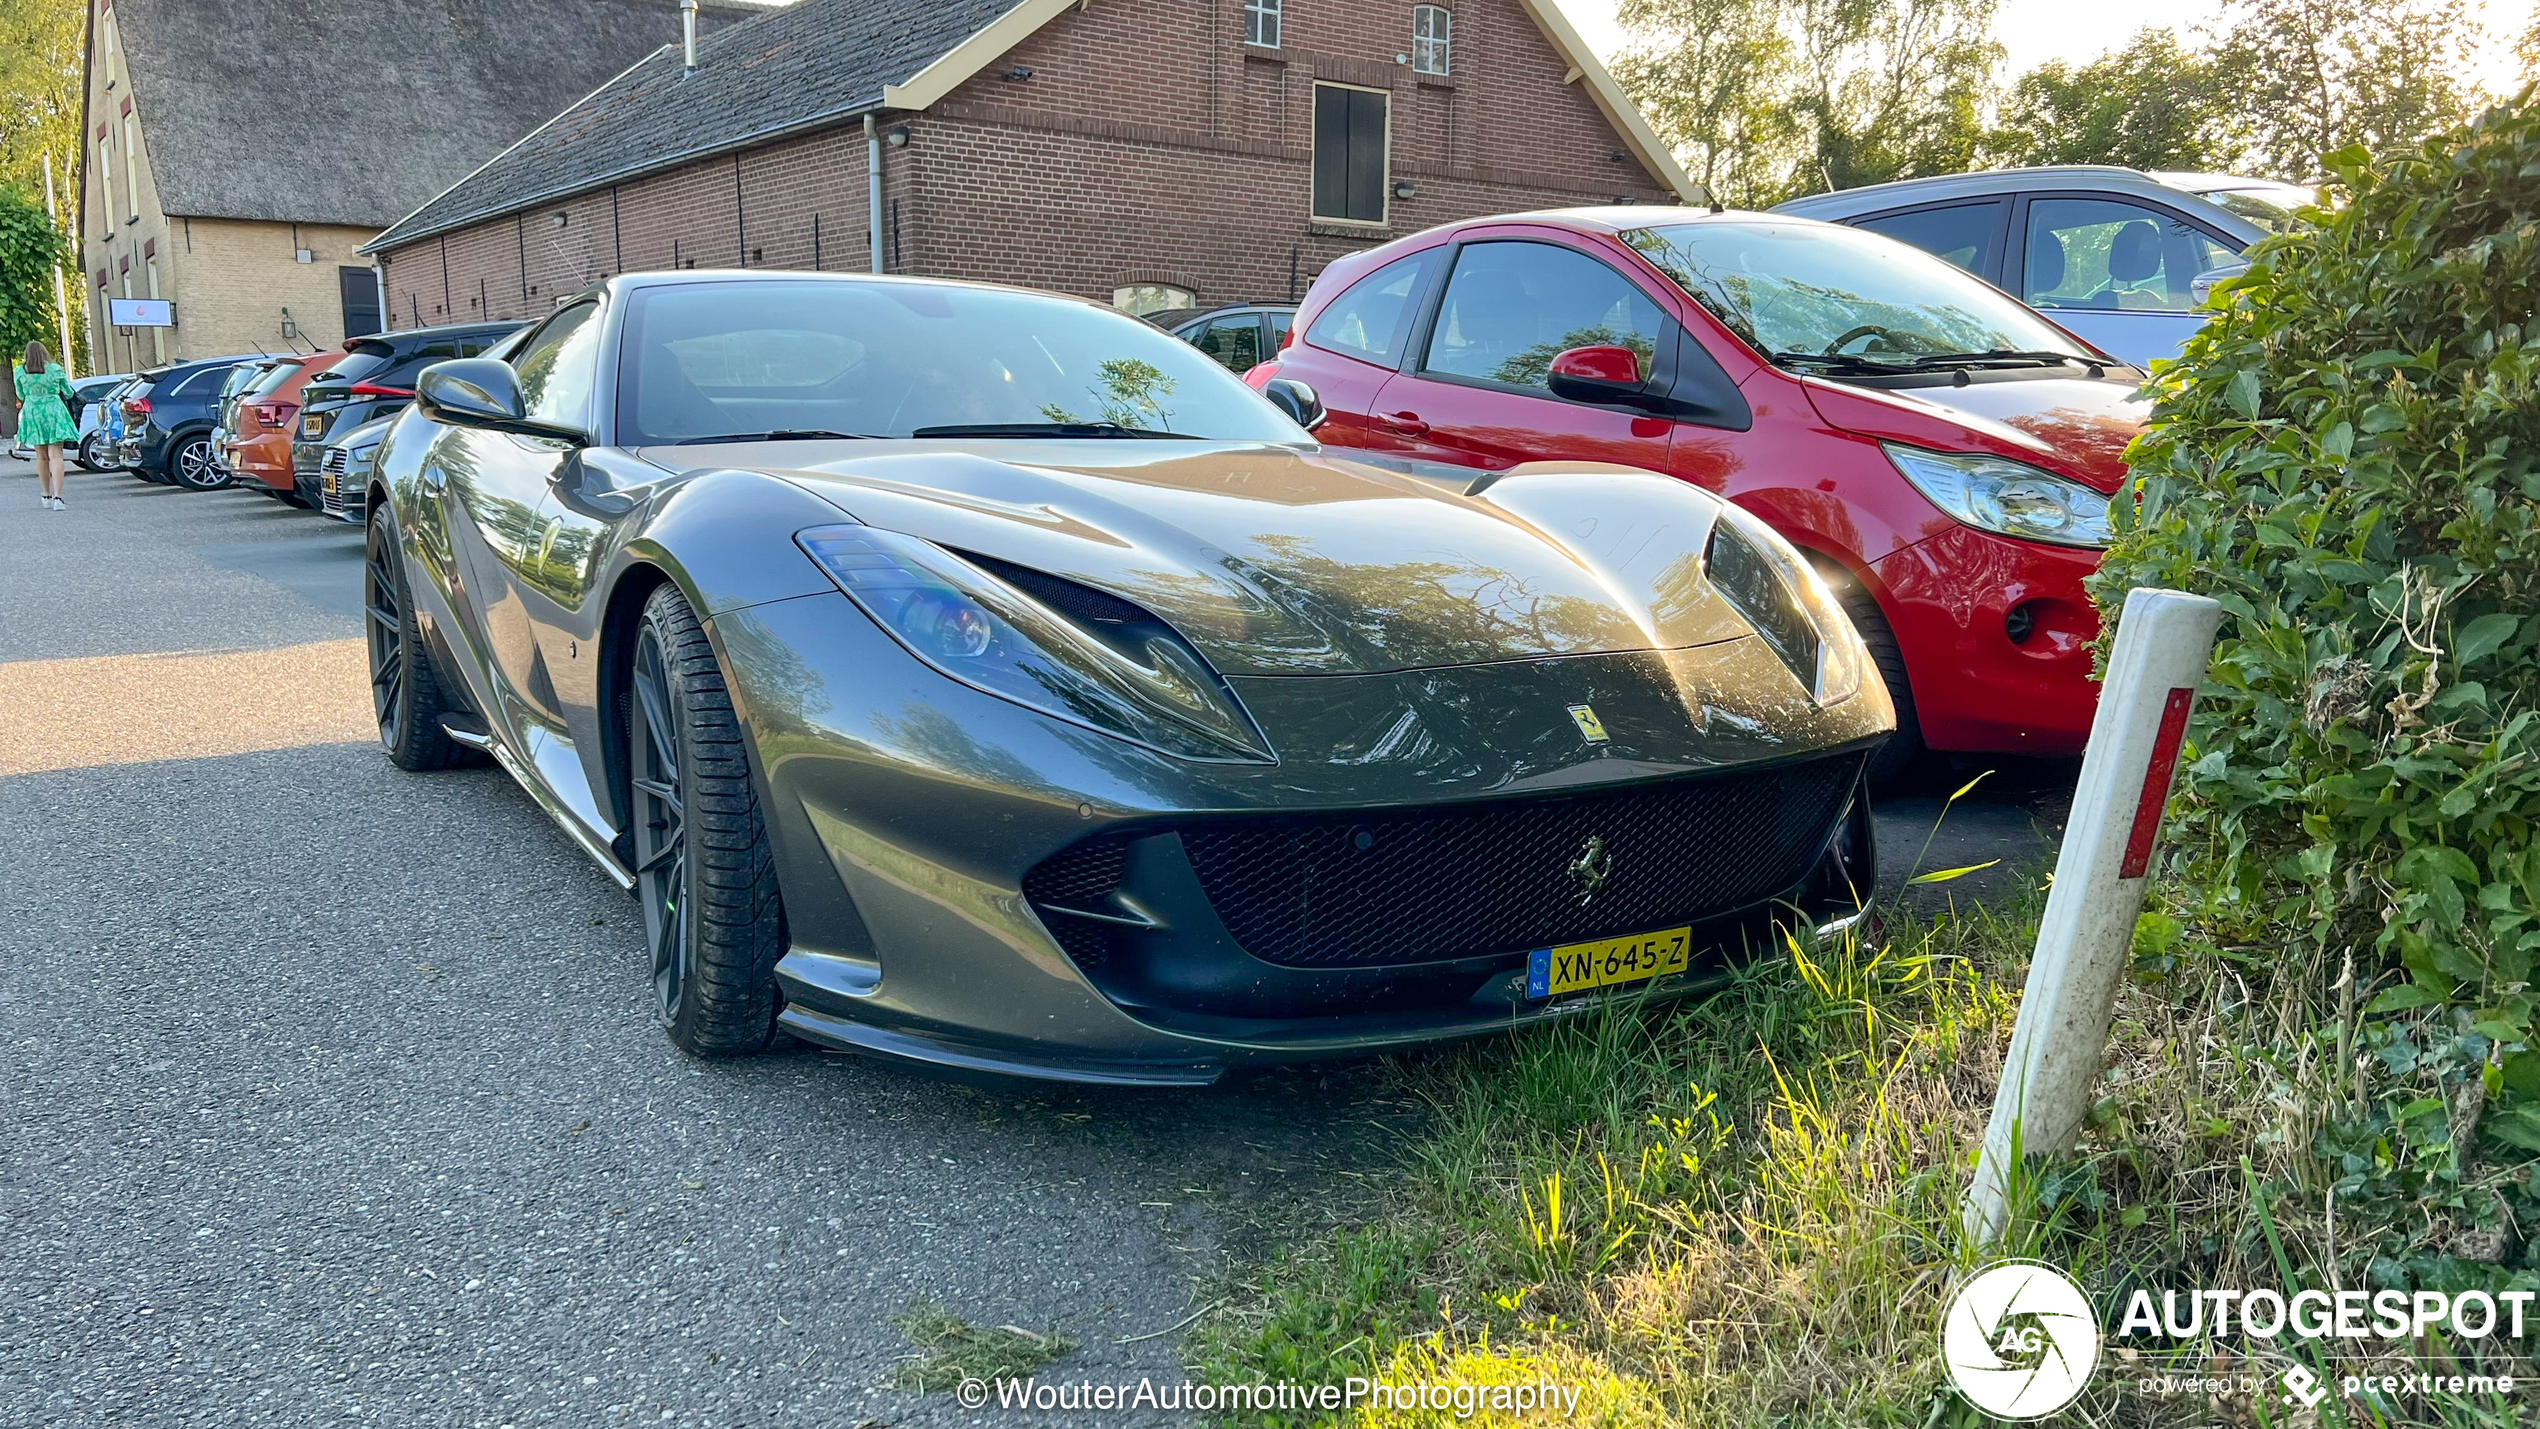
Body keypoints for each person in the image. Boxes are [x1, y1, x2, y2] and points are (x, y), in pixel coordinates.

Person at [14, 341, 78, 509]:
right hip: (54, 412)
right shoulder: (55, 369)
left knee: (41, 456)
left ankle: (46, 495)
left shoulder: (20, 371)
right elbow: (68, 392)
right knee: (56, 455)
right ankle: (58, 497)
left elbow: (20, 393)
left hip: (33, 412)